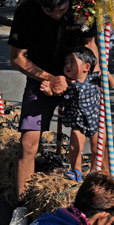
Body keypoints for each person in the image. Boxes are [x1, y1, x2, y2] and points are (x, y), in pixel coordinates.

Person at [9, 0, 99, 202]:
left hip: (79, 79)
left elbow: (90, 44)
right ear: (39, 2)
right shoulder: (26, 11)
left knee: (96, 134)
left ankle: (97, 191)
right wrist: (48, 78)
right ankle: (21, 204)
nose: (58, 15)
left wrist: (92, 81)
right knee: (28, 143)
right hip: (41, 79)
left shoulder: (82, 7)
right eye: (51, 11)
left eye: (62, 8)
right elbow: (17, 57)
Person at [41, 46, 101, 181]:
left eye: (72, 62)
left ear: (86, 67)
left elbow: (110, 84)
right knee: (74, 148)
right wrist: (48, 91)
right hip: (77, 121)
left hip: (96, 120)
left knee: (97, 148)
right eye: (66, 62)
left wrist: (108, 78)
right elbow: (56, 93)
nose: (67, 65)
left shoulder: (94, 79)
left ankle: (94, 170)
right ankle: (76, 170)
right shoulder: (66, 83)